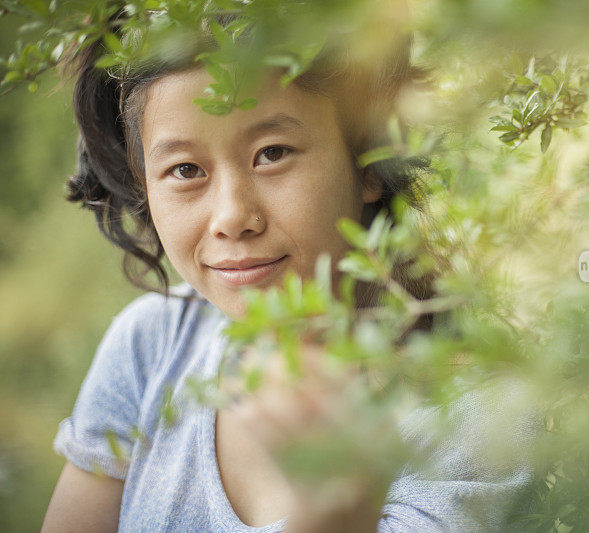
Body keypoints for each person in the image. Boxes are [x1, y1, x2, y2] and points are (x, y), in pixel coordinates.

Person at [41, 10, 536, 533]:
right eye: (186, 170)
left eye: (271, 154)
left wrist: (333, 513)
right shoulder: (153, 346)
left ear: (370, 161)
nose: (233, 216)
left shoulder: (471, 411)